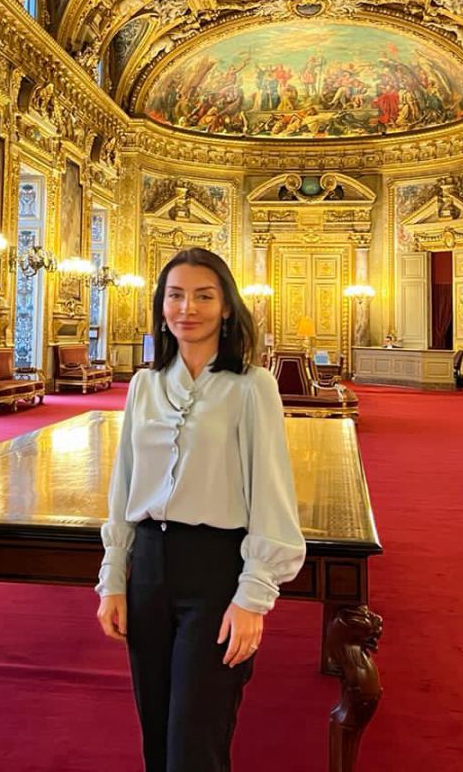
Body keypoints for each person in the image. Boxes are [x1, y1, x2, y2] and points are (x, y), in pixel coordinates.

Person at [96, 247, 306, 772]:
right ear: (161, 306)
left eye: (204, 296)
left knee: (196, 744)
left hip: (214, 571)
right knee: (157, 737)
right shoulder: (144, 385)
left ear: (227, 308)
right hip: (148, 565)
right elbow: (124, 487)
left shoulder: (251, 385)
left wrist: (254, 596)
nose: (187, 307)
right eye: (175, 295)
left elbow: (271, 491)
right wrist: (113, 578)